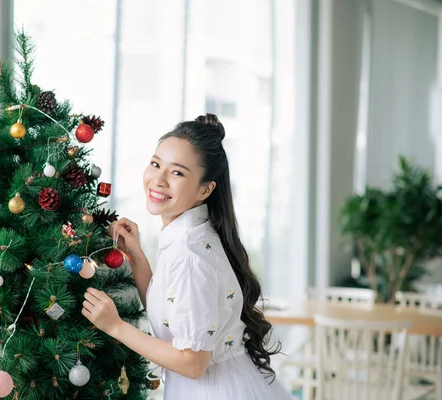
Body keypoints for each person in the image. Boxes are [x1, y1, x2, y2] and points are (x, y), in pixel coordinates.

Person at [82, 114, 292, 399]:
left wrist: (115, 326)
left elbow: (193, 363)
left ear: (205, 189)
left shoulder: (189, 254)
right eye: (156, 164)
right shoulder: (191, 236)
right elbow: (173, 314)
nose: (158, 179)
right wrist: (137, 257)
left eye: (177, 173)